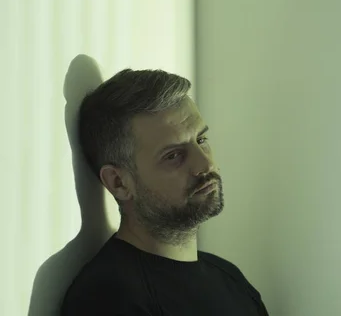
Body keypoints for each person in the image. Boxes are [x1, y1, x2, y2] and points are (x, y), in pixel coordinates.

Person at [60, 68, 269, 316]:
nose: (205, 165)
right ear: (119, 183)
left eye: (201, 140)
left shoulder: (230, 279)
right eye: (173, 156)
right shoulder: (107, 299)